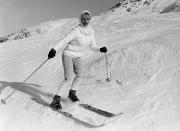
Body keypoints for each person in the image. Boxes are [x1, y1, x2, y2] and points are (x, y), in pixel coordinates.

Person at [48, 10, 107, 110]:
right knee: (68, 77)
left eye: (87, 19)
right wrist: (54, 49)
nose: (85, 21)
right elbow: (64, 40)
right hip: (68, 54)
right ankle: (55, 100)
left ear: (90, 20)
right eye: (83, 19)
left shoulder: (90, 31)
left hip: (78, 55)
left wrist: (100, 49)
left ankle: (72, 94)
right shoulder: (76, 30)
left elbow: (93, 46)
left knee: (80, 74)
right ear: (80, 19)